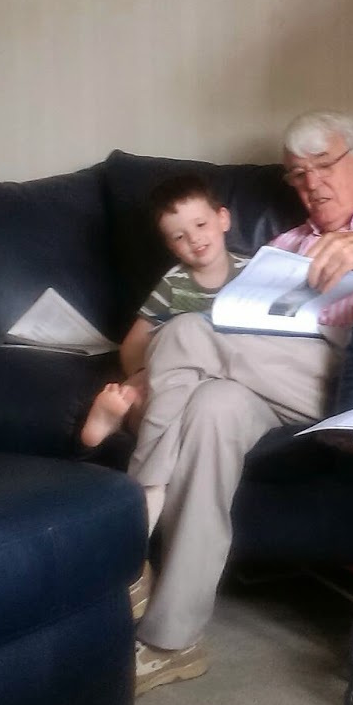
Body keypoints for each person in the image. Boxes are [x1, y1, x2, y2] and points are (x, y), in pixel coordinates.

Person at [131, 110, 353, 695]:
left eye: (323, 166)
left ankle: (135, 510)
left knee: (183, 333)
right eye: (297, 174)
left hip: (345, 376)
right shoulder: (285, 245)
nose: (312, 184)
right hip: (265, 374)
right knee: (211, 406)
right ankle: (173, 637)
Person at [79, 173, 249, 540]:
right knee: (162, 383)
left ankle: (141, 514)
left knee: (184, 409)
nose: (195, 240)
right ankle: (118, 410)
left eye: (200, 225)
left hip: (224, 373)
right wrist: (143, 374)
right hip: (177, 375)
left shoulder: (252, 274)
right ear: (171, 246)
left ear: (223, 218)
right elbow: (134, 342)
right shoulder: (175, 283)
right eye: (179, 237)